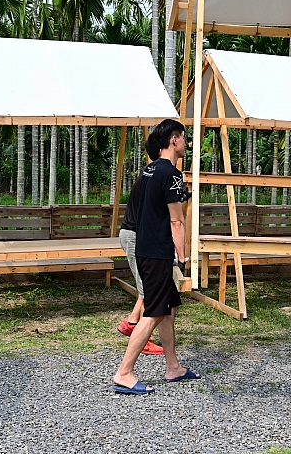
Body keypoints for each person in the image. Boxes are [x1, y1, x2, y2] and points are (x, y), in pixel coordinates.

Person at [112, 119, 200, 395]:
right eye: (184, 138)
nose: (186, 143)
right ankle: (124, 372)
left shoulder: (149, 171)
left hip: (146, 249)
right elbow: (177, 220)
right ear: (173, 140)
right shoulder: (172, 174)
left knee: (168, 309)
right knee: (153, 312)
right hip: (157, 252)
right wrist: (183, 257)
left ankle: (173, 367)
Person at [116, 138, 165, 355]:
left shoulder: (149, 173)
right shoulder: (154, 176)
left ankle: (131, 323)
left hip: (135, 234)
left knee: (146, 288)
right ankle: (140, 337)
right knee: (149, 290)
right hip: (135, 235)